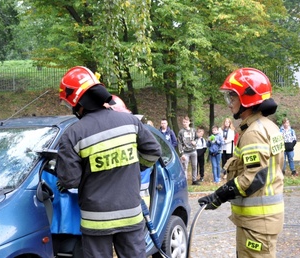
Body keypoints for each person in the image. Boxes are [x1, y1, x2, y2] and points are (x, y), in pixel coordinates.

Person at [55, 66, 162, 258]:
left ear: (79, 101)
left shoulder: (72, 134)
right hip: (131, 214)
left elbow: (70, 181)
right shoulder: (130, 122)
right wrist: (134, 168)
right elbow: (154, 152)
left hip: (96, 221)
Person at [198, 67, 285, 258]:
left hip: (257, 222)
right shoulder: (268, 126)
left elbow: (254, 178)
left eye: (233, 97)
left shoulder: (254, 132)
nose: (229, 103)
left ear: (248, 98)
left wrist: (220, 195)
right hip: (260, 220)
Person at [178, 116, 200, 185]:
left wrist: (195, 142)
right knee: (185, 167)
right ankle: (185, 181)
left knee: (194, 166)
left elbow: (197, 138)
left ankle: (194, 180)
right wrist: (182, 153)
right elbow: (179, 143)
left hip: (193, 150)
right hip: (185, 152)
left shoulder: (193, 130)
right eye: (184, 122)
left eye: (186, 122)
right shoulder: (181, 132)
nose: (185, 123)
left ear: (189, 122)